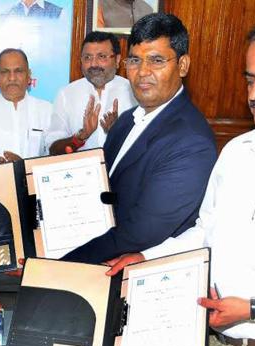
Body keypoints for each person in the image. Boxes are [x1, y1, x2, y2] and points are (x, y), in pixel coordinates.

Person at [105, 15, 255, 346]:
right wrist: (147, 257)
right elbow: (204, 231)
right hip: (209, 340)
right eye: (250, 79)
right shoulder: (238, 151)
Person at [61, 13, 217, 264]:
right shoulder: (125, 121)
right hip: (97, 255)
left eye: (156, 60)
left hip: (137, 276)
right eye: (135, 60)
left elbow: (140, 234)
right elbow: (101, 193)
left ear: (183, 65)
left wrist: (58, 261)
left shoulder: (191, 142)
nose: (142, 72)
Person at [46, 31, 137, 154]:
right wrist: (80, 137)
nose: (94, 64)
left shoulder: (134, 92)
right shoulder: (66, 94)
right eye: (87, 57)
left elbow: (149, 144)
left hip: (124, 172)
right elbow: (53, 149)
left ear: (117, 60)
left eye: (102, 57)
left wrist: (118, 132)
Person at [0, 48, 52, 165]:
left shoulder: (47, 110)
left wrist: (24, 166)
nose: (12, 78)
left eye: (18, 71)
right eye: (5, 72)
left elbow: (53, 157)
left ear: (29, 76)